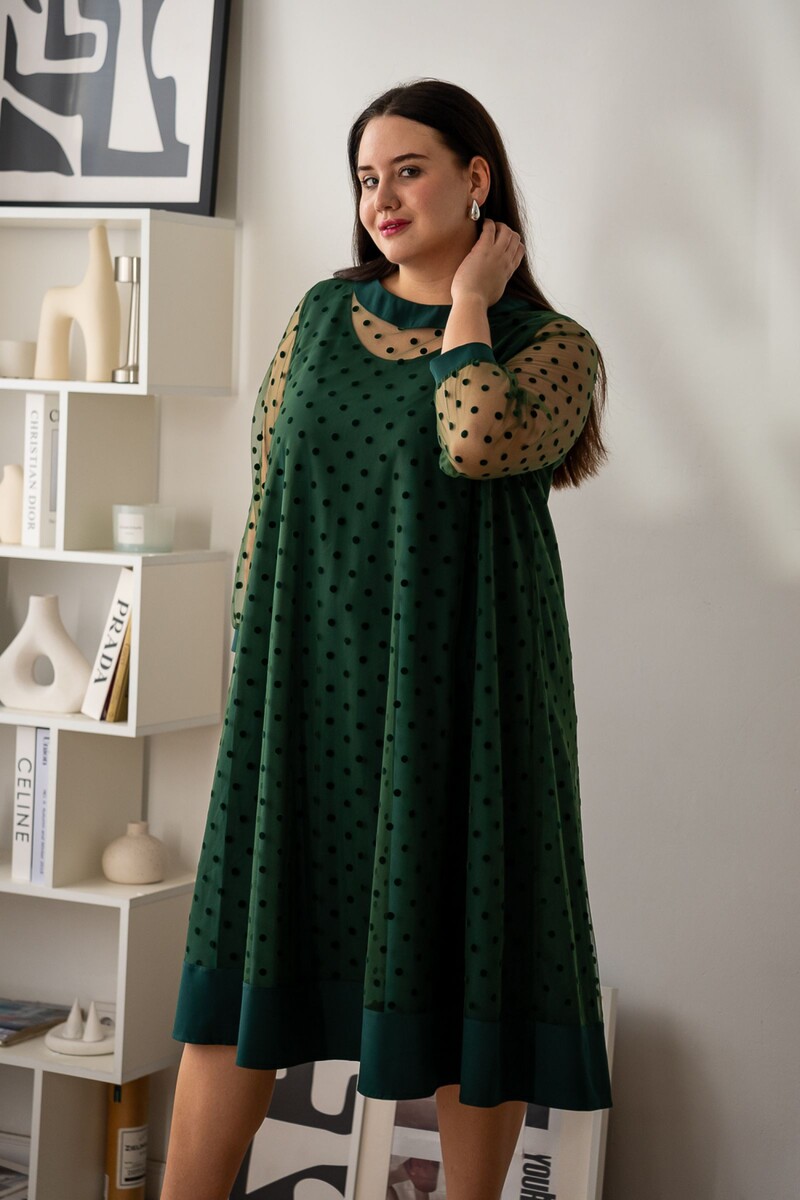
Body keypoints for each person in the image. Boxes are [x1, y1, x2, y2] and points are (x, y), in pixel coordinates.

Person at [162, 78, 612, 1200]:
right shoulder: (320, 316)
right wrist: (254, 668)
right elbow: (267, 487)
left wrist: (470, 305)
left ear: (476, 178)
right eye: (367, 178)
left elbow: (475, 440)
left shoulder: (553, 347)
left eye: (409, 170)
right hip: (306, 695)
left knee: (466, 971)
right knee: (243, 976)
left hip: (463, 702)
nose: (382, 198)